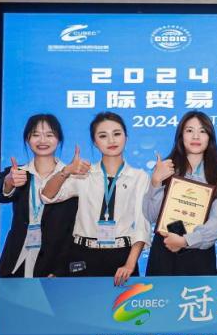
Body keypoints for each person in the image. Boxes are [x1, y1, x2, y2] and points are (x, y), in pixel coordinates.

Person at [42, 112, 150, 285]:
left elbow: (142, 224)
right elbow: (48, 195)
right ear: (94, 142)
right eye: (103, 136)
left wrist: (130, 264)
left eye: (117, 134)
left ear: (126, 137)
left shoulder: (139, 176)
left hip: (121, 256)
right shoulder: (84, 173)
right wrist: (66, 171)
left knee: (123, 303)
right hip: (83, 254)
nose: (111, 140)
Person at [143, 111, 217, 276]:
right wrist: (156, 182)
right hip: (165, 248)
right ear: (181, 136)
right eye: (189, 130)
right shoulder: (166, 169)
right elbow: (151, 216)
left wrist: (186, 241)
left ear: (209, 138)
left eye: (202, 131)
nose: (196, 136)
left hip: (200, 255)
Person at [0, 113, 77, 278]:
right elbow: (3, 195)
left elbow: (73, 230)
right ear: (27, 139)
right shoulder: (17, 173)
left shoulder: (72, 178)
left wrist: (61, 269)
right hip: (16, 260)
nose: (42, 140)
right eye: (36, 135)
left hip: (53, 264)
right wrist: (9, 181)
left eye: (49, 135)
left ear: (59, 139)